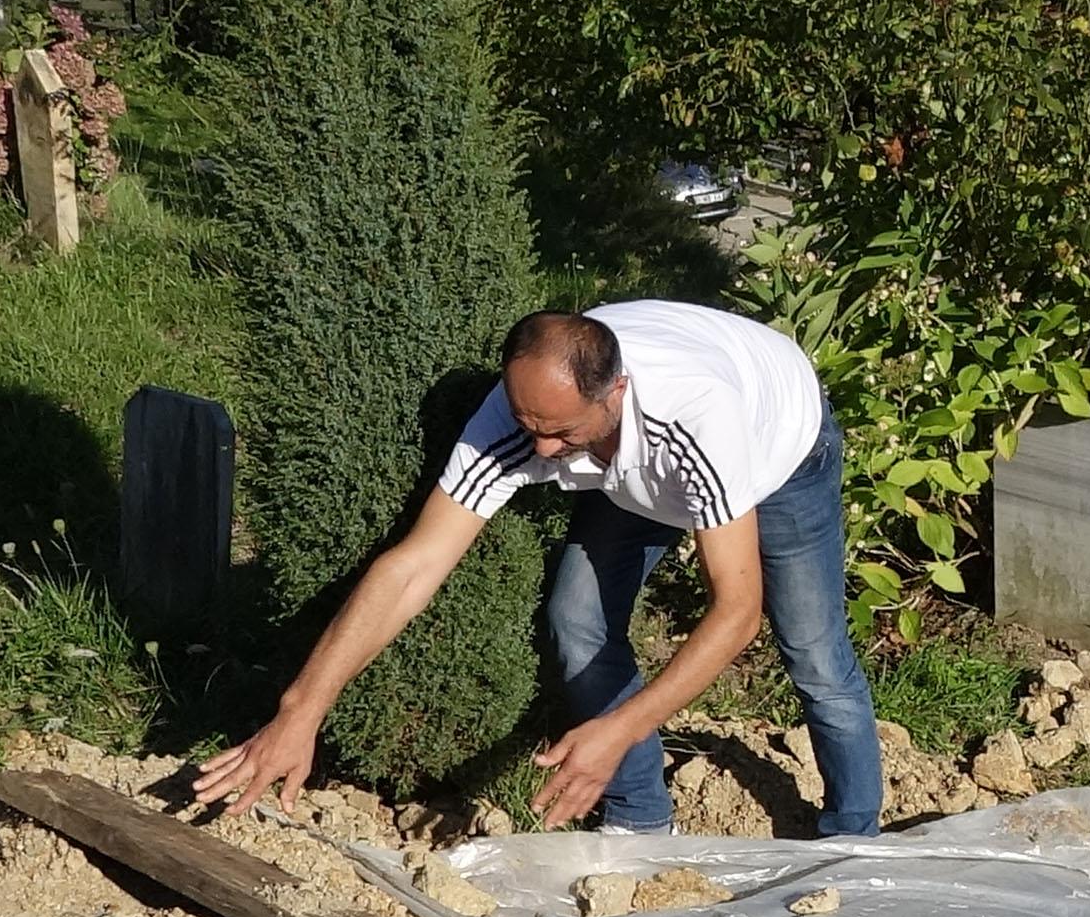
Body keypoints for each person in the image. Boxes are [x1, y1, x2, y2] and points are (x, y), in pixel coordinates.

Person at [192, 301, 884, 836]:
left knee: (814, 653)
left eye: (560, 433)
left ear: (615, 392)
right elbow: (414, 564)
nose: (543, 450)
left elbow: (736, 614)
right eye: (530, 426)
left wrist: (618, 728)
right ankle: (640, 822)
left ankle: (853, 833)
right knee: (575, 616)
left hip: (777, 446)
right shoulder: (526, 415)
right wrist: (300, 709)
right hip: (636, 468)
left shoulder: (697, 418)